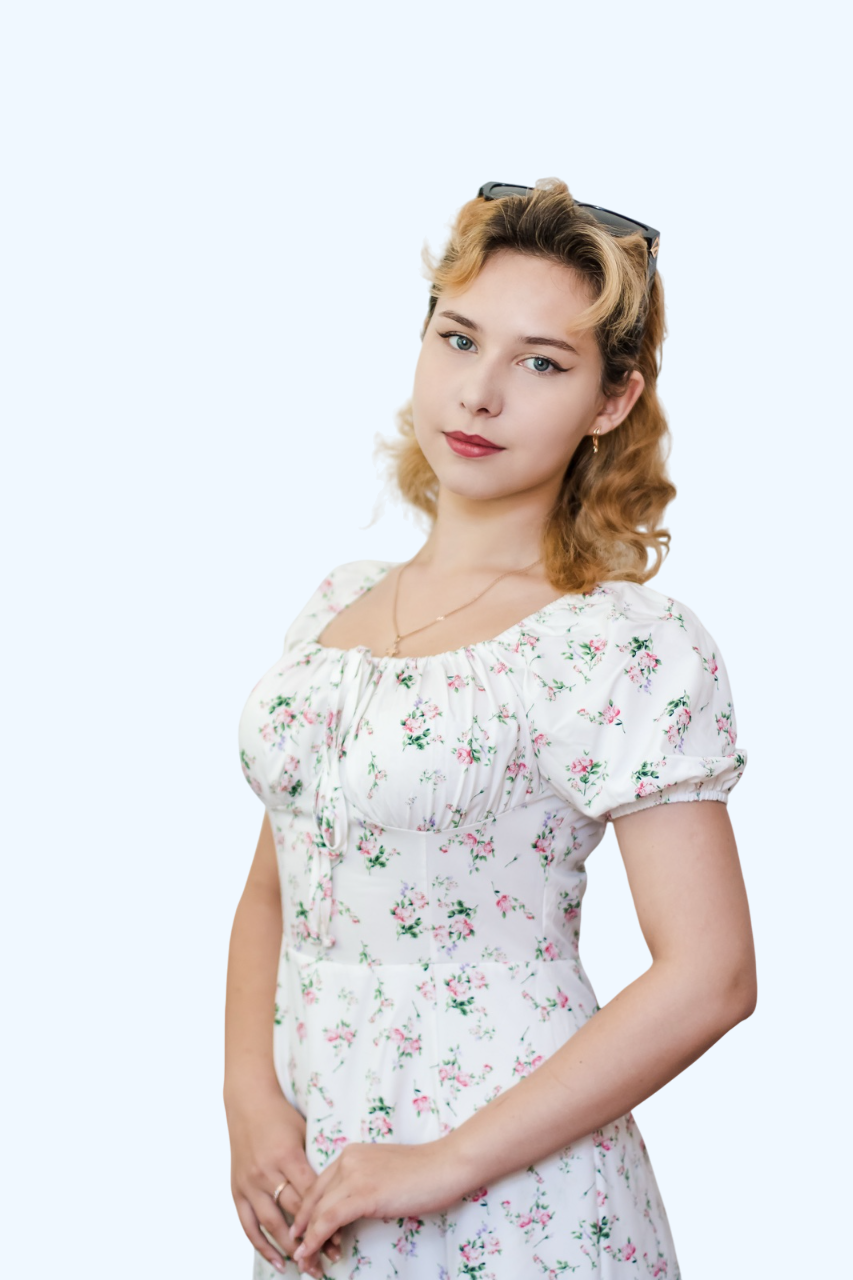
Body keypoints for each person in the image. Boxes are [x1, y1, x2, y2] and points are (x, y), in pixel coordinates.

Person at [224, 177, 756, 1279]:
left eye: (542, 363)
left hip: (517, 1198)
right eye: (458, 339)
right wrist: (250, 1104)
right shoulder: (335, 608)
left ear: (612, 400)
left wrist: (444, 1162)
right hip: (319, 1182)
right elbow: (275, 887)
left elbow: (710, 973)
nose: (479, 393)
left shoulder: (616, 643)